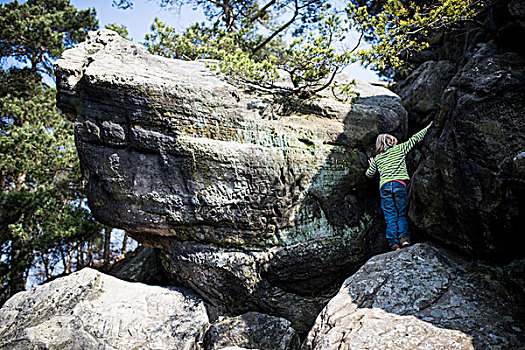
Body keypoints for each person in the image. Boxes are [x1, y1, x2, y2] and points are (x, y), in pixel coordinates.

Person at [365, 122, 432, 251]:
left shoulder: (378, 158)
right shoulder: (399, 149)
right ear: (391, 142)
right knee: (401, 213)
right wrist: (428, 128)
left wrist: (371, 165)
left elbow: (369, 174)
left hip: (385, 188)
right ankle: (404, 239)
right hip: (399, 185)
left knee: (390, 216)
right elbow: (414, 139)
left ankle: (393, 244)